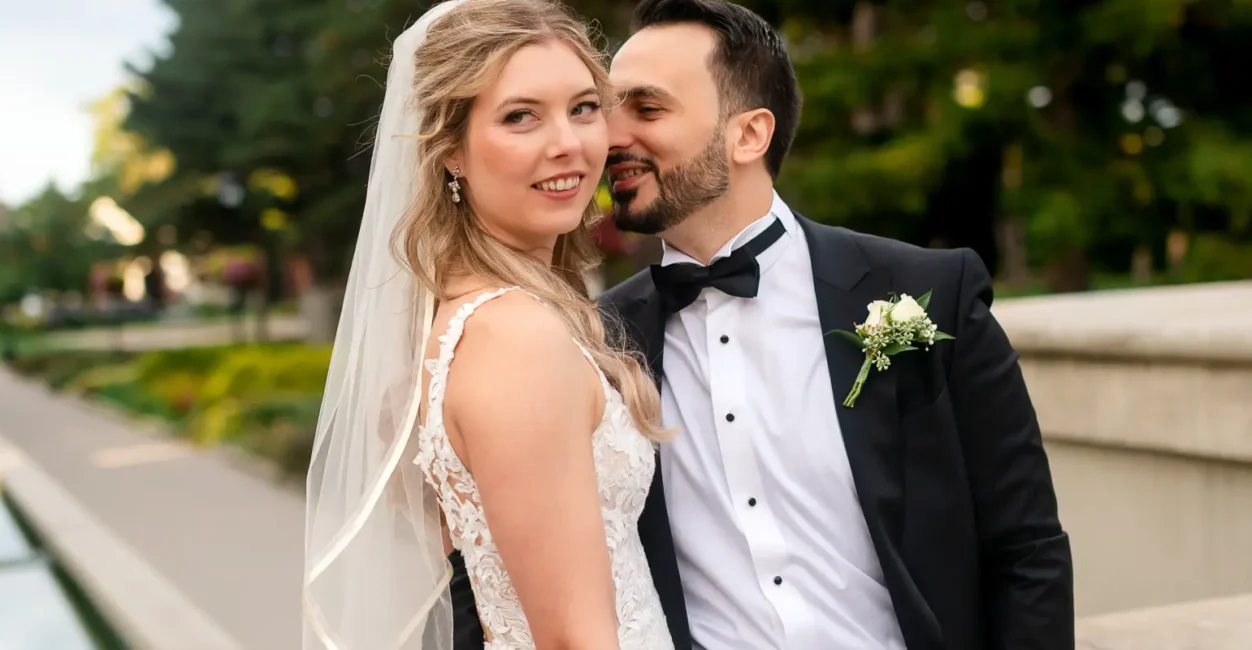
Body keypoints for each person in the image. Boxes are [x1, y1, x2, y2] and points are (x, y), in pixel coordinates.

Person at [454, 0, 1075, 649]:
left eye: (648, 109)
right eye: (607, 108)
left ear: (749, 134)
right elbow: (497, 563)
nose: (609, 138)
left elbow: (1026, 548)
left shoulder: (930, 293)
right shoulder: (587, 343)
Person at [302, 1, 676, 649]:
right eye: (520, 116)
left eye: (583, 108)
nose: (567, 143)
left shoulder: (474, 316)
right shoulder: (515, 338)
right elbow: (572, 638)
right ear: (451, 151)